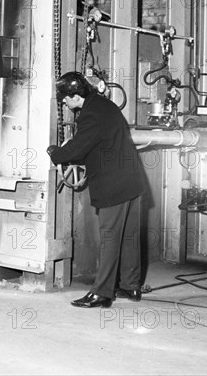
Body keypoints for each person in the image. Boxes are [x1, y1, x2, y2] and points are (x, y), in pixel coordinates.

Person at [47, 71, 145, 308]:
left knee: (110, 238)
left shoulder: (90, 114)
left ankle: (102, 293)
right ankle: (131, 287)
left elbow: (77, 149)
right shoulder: (105, 105)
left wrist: (55, 152)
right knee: (130, 236)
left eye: (64, 98)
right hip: (133, 182)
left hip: (114, 186)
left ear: (75, 95)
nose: (63, 102)